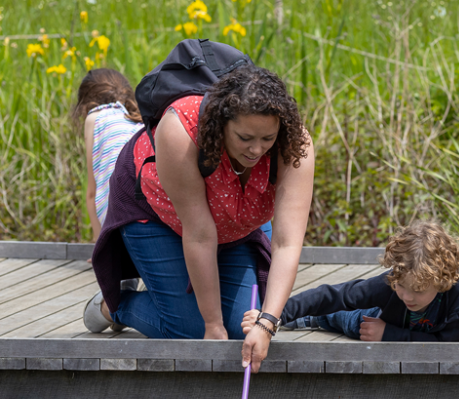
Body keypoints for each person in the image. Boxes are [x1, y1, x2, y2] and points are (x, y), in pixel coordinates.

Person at [85, 64, 315, 373]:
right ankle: (115, 305)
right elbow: (200, 234)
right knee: (193, 334)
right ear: (221, 124)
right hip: (156, 214)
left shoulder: (295, 145)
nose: (257, 149)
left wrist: (267, 323)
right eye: (245, 137)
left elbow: (287, 243)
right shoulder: (180, 128)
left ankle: (173, 301)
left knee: (240, 332)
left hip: (234, 223)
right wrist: (211, 325)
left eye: (267, 138)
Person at [264, 222, 459, 342]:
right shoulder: (396, 282)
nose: (408, 297)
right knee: (355, 320)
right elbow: (336, 295)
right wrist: (273, 316)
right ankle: (312, 319)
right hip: (402, 323)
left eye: (418, 291)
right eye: (401, 287)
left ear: (441, 281)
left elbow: (448, 347)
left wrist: (389, 334)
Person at [76, 69, 143, 242]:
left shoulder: (95, 118)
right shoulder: (138, 118)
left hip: (119, 218)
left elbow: (92, 192)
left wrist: (99, 247)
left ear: (85, 103)